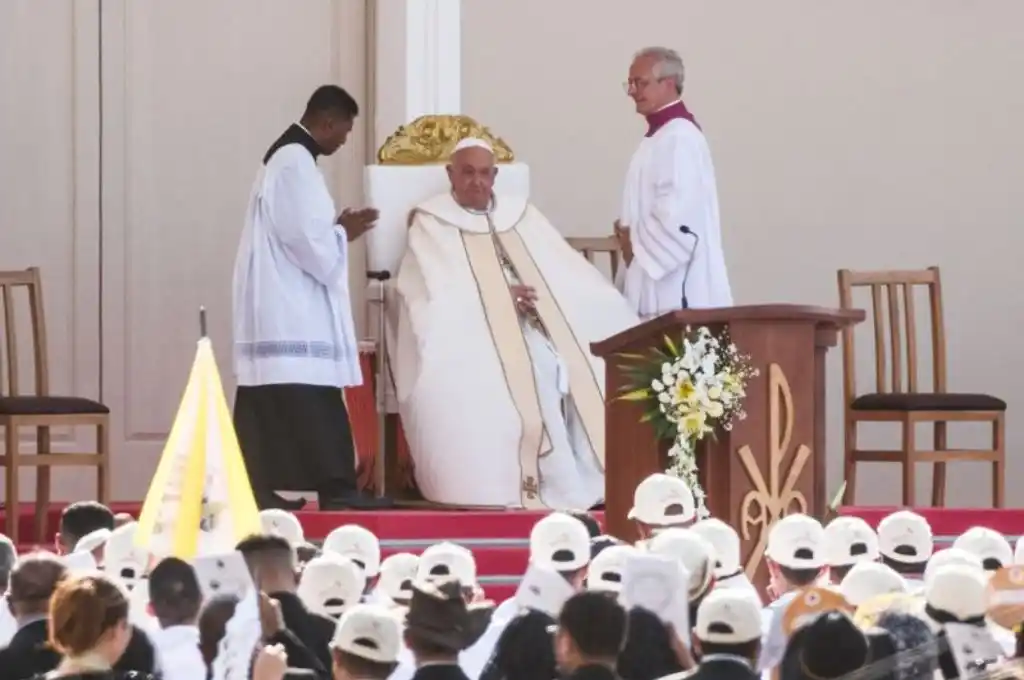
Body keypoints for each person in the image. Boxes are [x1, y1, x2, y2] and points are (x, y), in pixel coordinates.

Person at [391, 137, 640, 509]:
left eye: (484, 174)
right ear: (451, 175)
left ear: (495, 176)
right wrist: (497, 299)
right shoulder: (432, 221)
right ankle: (549, 484)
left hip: (542, 322)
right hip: (477, 331)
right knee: (535, 369)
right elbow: (431, 290)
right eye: (467, 173)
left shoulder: (521, 214)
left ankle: (595, 478)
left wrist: (549, 303)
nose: (476, 182)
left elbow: (561, 269)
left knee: (580, 362)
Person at [232, 84, 387, 511]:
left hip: (279, 298)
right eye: (345, 131)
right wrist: (342, 233)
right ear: (327, 122)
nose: (344, 140)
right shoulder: (294, 162)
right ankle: (338, 490)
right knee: (313, 394)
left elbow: (299, 228)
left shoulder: (289, 159)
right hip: (292, 303)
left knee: (268, 397)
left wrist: (335, 227)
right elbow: (304, 238)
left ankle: (256, 487)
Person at [615, 46, 732, 318]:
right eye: (630, 84)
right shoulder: (660, 137)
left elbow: (679, 217)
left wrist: (634, 242)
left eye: (639, 83)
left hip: (676, 286)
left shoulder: (680, 138)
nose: (632, 91)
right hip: (655, 273)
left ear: (668, 84)